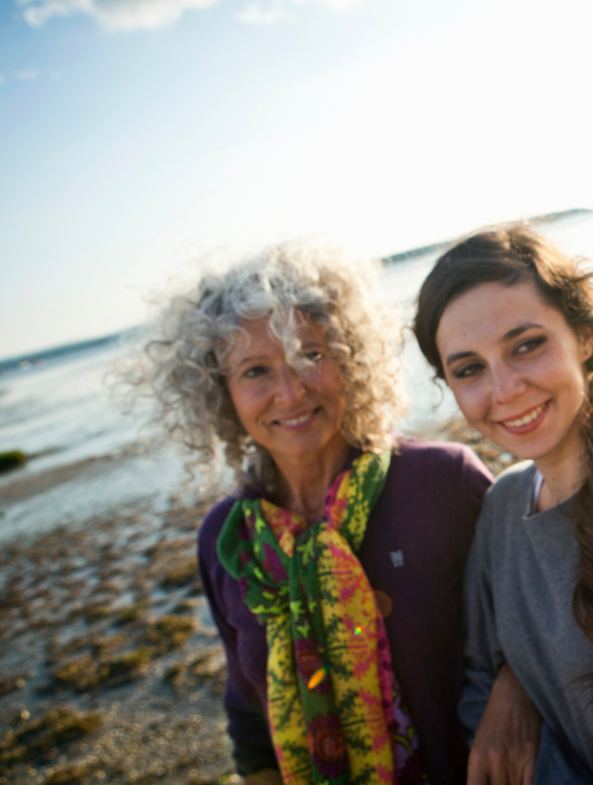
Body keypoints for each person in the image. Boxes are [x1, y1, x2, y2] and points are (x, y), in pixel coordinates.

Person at [133, 245, 492, 785]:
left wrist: (513, 695)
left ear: (349, 358)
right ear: (221, 394)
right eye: (256, 370)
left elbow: (534, 634)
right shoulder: (226, 541)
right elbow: (248, 718)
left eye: (310, 356)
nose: (289, 391)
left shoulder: (443, 480)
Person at [413, 225, 593, 785]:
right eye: (468, 369)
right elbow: (477, 681)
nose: (505, 388)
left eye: (526, 345)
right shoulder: (503, 505)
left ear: (584, 338)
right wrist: (512, 682)